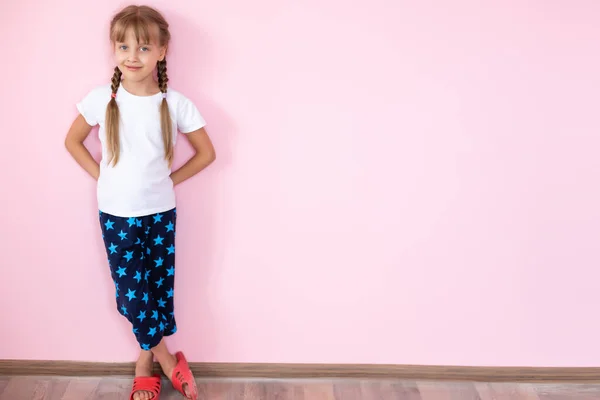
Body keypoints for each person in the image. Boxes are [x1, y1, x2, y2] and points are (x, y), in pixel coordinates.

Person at [64, 4, 215, 400]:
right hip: (117, 215)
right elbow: (72, 141)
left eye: (144, 48)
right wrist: (103, 177)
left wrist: (170, 181)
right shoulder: (102, 99)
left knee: (158, 290)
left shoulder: (175, 104)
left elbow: (206, 153)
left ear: (162, 52)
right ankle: (167, 359)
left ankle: (144, 361)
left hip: (161, 213)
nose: (133, 56)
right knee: (131, 291)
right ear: (114, 50)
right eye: (124, 46)